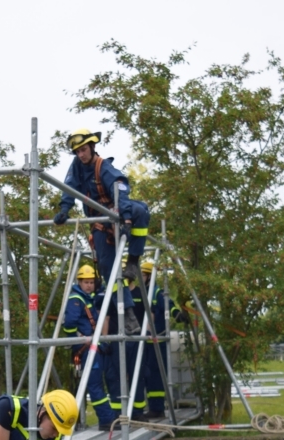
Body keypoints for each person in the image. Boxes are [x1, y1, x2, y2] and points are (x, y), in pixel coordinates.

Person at [53, 129, 151, 284]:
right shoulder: (77, 166)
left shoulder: (103, 167)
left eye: (84, 150)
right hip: (98, 221)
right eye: (78, 152)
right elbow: (69, 186)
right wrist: (64, 209)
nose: (81, 155)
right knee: (106, 266)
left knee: (140, 210)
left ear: (92, 147)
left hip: (116, 210)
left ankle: (133, 260)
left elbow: (119, 188)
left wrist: (126, 218)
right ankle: (121, 299)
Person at [61, 262, 119, 431]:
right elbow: (69, 324)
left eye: (91, 282)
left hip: (92, 347)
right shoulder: (76, 299)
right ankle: (107, 420)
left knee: (98, 384)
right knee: (95, 385)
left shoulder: (87, 298)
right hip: (86, 348)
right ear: (79, 282)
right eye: (85, 282)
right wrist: (79, 339)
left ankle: (108, 418)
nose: (89, 285)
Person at [139, 258, 189, 420]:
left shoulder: (156, 292)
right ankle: (153, 407)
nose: (140, 278)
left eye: (143, 275)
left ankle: (157, 408)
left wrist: (177, 315)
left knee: (156, 375)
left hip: (157, 341)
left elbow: (168, 305)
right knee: (147, 375)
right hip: (145, 341)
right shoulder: (143, 292)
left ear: (149, 276)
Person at [103, 264, 147, 422]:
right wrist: (105, 340)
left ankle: (137, 412)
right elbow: (106, 317)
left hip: (136, 340)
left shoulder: (140, 293)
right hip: (117, 340)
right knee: (116, 376)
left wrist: (148, 335)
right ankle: (118, 413)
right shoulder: (113, 293)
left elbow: (148, 316)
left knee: (138, 375)